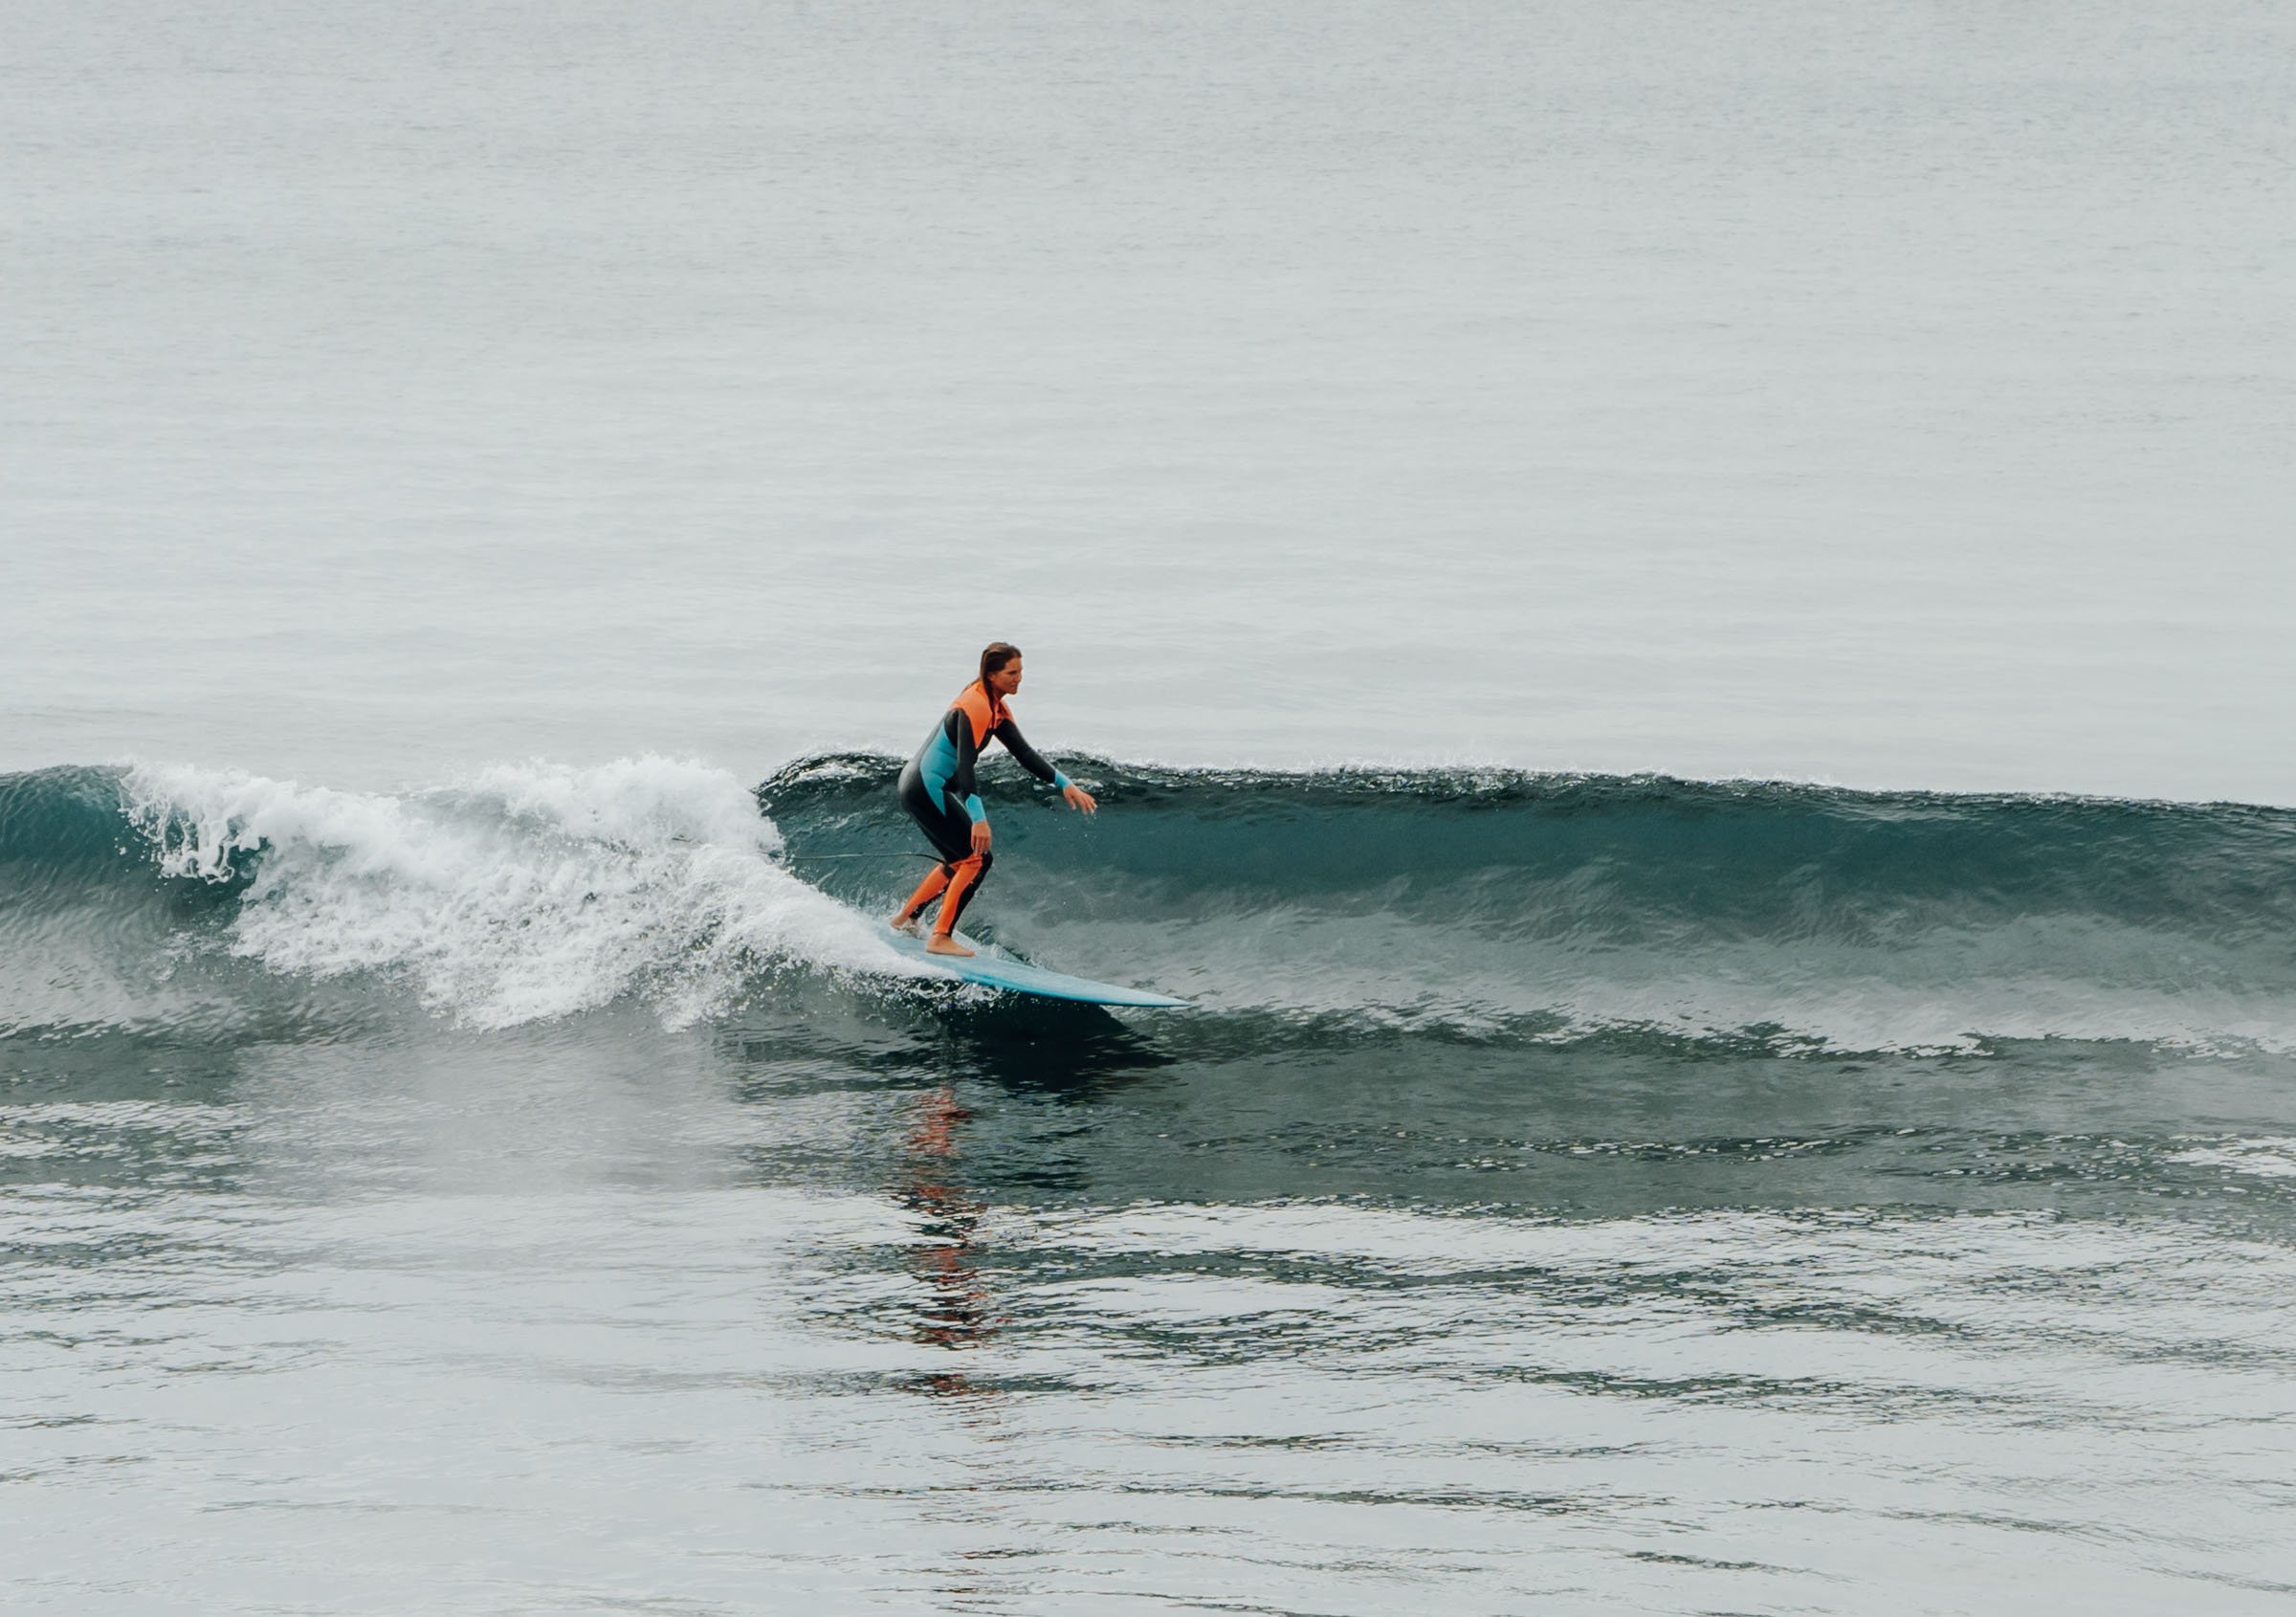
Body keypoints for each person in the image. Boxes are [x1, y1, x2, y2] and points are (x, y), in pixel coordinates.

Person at [889, 642, 1097, 956]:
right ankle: (940, 936)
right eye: (1012, 672)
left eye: (1021, 672)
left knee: (959, 860)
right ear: (992, 674)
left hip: (921, 784)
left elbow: (1024, 753)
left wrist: (1064, 783)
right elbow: (964, 766)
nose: (1019, 678)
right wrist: (979, 819)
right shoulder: (975, 706)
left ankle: (906, 919)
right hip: (925, 786)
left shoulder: (995, 706)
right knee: (976, 858)